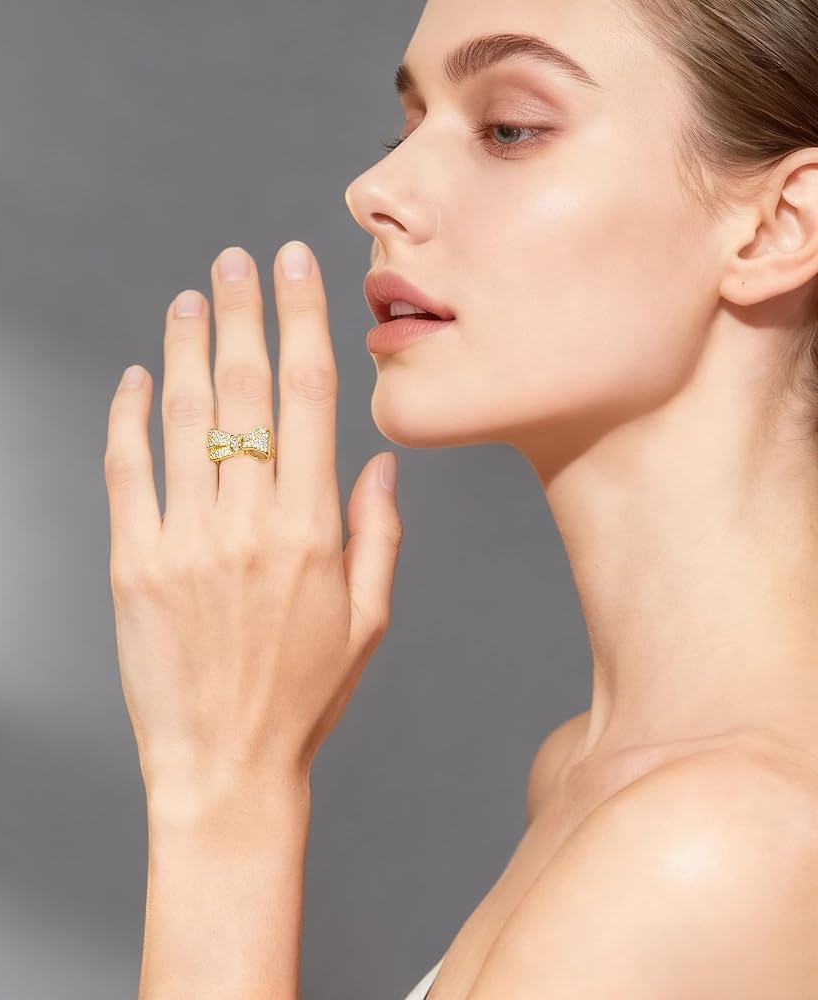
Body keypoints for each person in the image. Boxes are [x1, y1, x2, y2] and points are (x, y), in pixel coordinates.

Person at [103, 0, 818, 996]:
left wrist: (224, 784)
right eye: (405, 128)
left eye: (509, 129)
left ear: (778, 226)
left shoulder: (714, 847)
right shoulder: (584, 776)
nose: (375, 190)